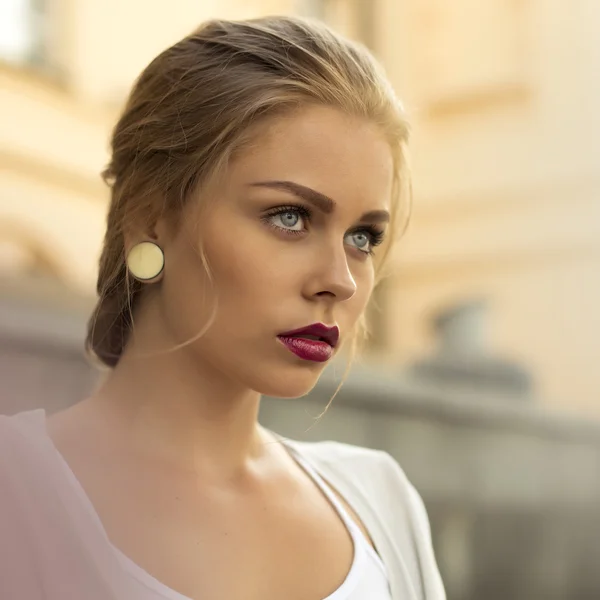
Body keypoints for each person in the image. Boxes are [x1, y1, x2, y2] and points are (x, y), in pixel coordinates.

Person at [0, 15, 445, 600]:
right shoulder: (15, 491)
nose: (339, 280)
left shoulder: (380, 501)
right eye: (290, 216)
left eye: (362, 237)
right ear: (150, 215)